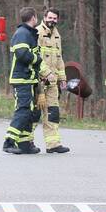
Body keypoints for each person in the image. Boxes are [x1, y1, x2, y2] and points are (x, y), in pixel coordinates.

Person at [2, 7, 42, 155]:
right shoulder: (22, 33)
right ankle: (9, 141)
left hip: (28, 79)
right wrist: (38, 59)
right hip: (22, 79)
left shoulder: (28, 33)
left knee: (30, 112)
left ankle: (24, 143)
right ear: (33, 17)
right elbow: (22, 54)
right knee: (23, 110)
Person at [35, 8, 69, 154]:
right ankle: (26, 142)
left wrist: (62, 78)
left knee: (53, 112)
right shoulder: (37, 32)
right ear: (44, 17)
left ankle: (53, 144)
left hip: (53, 81)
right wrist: (46, 73)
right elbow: (35, 57)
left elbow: (59, 58)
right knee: (34, 113)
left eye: (55, 18)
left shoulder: (57, 35)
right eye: (50, 18)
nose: (52, 20)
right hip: (39, 81)